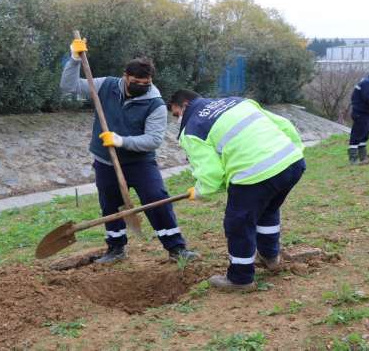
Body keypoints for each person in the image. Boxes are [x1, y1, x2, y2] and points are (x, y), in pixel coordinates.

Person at [59, 38, 198, 263]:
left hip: (140, 163)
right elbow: (69, 87)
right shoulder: (105, 86)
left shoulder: (155, 104)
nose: (141, 86)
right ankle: (115, 249)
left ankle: (176, 248)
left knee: (156, 198)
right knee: (110, 204)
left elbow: (153, 140)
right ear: (125, 76)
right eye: (136, 82)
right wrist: (74, 59)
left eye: (146, 83)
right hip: (106, 162)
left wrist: (121, 141)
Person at [168, 90, 306, 292]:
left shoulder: (192, 129)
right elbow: (284, 125)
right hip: (292, 163)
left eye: (175, 113)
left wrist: (199, 192)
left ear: (185, 105)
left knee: (238, 224)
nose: (177, 119)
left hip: (255, 175)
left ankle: (240, 279)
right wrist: (294, 151)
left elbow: (211, 173)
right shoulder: (237, 101)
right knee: (267, 210)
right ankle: (270, 257)